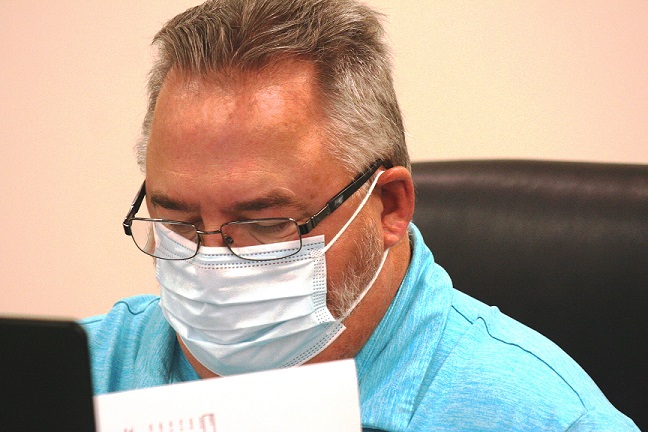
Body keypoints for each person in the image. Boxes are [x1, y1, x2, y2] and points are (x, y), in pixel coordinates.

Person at [81, 0, 638, 430]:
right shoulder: (75, 376)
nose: (208, 265)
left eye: (264, 223)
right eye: (176, 222)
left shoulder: (544, 419)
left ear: (389, 206)